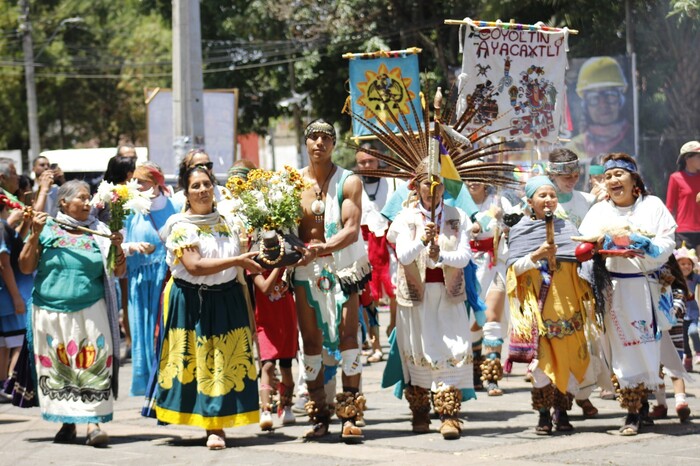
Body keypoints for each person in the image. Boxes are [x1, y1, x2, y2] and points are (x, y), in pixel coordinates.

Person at [155, 166, 263, 450]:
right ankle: (213, 428)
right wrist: (237, 262)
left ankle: (221, 422)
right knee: (204, 362)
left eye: (206, 184)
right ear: (186, 193)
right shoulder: (180, 226)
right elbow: (195, 266)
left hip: (228, 296)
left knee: (226, 362)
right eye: (195, 186)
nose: (202, 190)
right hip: (194, 300)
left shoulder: (227, 220)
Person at [18, 180, 125, 447]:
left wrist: (118, 247)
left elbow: (119, 271)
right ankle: (66, 424)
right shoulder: (47, 228)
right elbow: (25, 265)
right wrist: (34, 234)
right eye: (82, 198)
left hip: (92, 309)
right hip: (50, 312)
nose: (88, 203)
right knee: (60, 367)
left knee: (93, 364)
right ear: (63, 202)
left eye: (90, 198)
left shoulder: (100, 231)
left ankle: (93, 423)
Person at [578, 153, 677, 435]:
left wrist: (642, 243)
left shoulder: (652, 205)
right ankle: (632, 411)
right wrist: (598, 246)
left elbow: (665, 243)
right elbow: (584, 248)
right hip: (614, 290)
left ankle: (644, 404)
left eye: (619, 174)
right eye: (608, 176)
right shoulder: (599, 211)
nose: (613, 180)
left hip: (646, 288)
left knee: (648, 348)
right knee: (621, 351)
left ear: (634, 179)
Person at [293, 119, 371, 442]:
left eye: (326, 138)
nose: (319, 143)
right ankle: (318, 414)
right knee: (310, 343)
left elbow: (352, 228)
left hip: (342, 268)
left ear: (334, 144)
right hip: (305, 270)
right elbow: (284, 228)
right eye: (313, 137)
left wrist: (324, 247)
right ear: (306, 143)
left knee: (347, 337)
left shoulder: (349, 181)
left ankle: (350, 415)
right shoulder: (293, 183)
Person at [387, 158, 474, 440]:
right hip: (417, 298)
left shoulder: (456, 215)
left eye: (437, 184)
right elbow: (403, 256)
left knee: (453, 348)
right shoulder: (406, 217)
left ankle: (449, 415)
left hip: (449, 296)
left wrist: (441, 256)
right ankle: (421, 412)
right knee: (420, 350)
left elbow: (463, 258)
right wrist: (423, 242)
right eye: (426, 183)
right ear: (417, 185)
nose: (432, 190)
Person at [506, 176, 592, 435]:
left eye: (552, 195)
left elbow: (581, 263)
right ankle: (544, 414)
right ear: (530, 200)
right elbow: (513, 269)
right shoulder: (519, 230)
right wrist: (536, 256)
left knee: (567, 358)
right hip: (538, 306)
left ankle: (562, 411)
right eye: (542, 195)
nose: (548, 200)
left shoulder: (567, 228)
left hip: (566, 304)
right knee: (542, 365)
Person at [121, 164, 177, 396]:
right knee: (142, 330)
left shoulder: (175, 206)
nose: (136, 186)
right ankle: (147, 385)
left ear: (155, 184)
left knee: (164, 329)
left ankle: (167, 382)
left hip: (165, 278)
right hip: (139, 280)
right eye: (134, 181)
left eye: (141, 181)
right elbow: (117, 244)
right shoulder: (128, 209)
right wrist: (132, 247)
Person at [355, 145, 401, 364]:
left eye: (370, 161)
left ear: (378, 161)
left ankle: (393, 326)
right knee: (368, 297)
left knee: (395, 291)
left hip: (389, 245)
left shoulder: (392, 182)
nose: (366, 166)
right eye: (362, 162)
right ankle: (374, 342)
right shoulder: (353, 186)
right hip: (364, 247)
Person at [566, 57, 635, 176]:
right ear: (585, 105)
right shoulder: (573, 149)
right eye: (594, 98)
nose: (603, 105)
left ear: (621, 100)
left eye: (610, 95)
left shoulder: (635, 140)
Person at [250, 266, 298, 431]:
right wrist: (278, 265)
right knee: (268, 366)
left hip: (287, 321)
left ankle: (286, 407)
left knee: (287, 368)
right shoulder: (255, 262)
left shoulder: (288, 257)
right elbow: (265, 288)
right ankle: (265, 410)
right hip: (265, 323)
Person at [0, 198, 31, 401]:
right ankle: (10, 383)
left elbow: (12, 246)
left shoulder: (4, 227)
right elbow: (4, 263)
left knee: (4, 343)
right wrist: (17, 297)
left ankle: (4, 384)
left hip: (7, 295)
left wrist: (25, 224)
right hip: (9, 295)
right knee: (20, 341)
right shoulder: (1, 226)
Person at [666, 141, 700, 256]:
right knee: (686, 268)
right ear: (687, 158)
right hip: (684, 231)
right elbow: (670, 208)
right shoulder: (675, 178)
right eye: (698, 156)